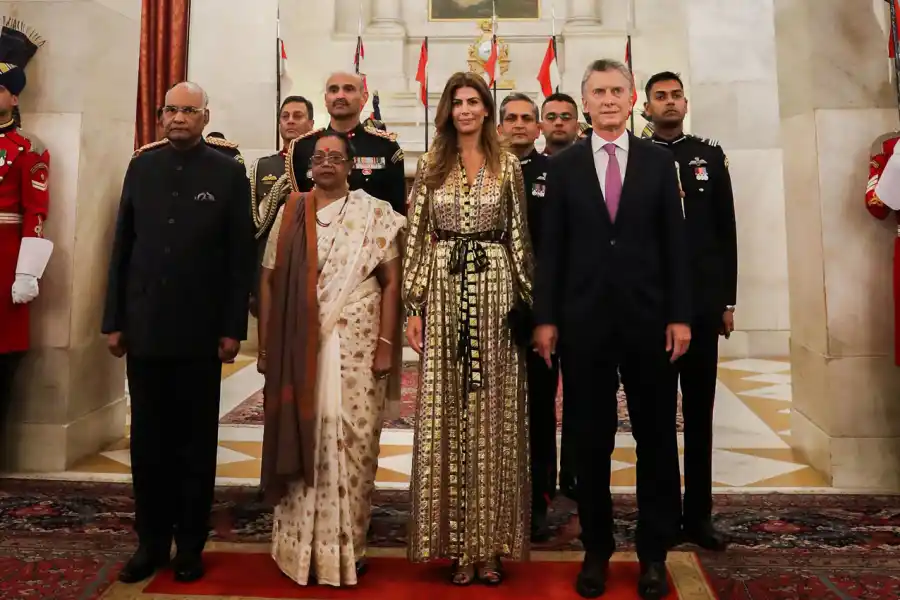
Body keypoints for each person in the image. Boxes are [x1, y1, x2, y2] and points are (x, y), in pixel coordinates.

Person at [533, 59, 691, 600]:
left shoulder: (658, 162)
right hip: (585, 324)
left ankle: (653, 554)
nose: (607, 100)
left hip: (650, 322)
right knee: (589, 440)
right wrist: (547, 319)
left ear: (630, 100)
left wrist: (680, 315)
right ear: (585, 102)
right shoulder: (564, 166)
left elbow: (675, 244)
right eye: (598, 92)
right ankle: (597, 549)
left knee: (656, 440)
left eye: (616, 91)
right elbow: (551, 250)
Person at [101, 81, 254, 584]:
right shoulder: (142, 167)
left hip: (201, 330)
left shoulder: (228, 173)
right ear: (161, 115)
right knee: (147, 443)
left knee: (194, 444)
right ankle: (149, 543)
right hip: (144, 326)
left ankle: (189, 545)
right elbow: (122, 247)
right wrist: (114, 320)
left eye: (189, 110)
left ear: (205, 116)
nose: (179, 118)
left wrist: (232, 328)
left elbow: (239, 258)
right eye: (171, 110)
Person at [258, 131, 405, 586]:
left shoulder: (374, 213)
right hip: (298, 340)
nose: (326, 163)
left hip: (359, 340)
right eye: (319, 157)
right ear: (309, 166)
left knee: (354, 441)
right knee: (302, 431)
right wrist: (266, 346)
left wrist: (386, 345)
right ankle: (298, 548)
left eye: (335, 157)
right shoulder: (291, 212)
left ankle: (349, 547)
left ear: (350, 166)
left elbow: (392, 282)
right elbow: (268, 280)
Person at [404, 71, 533, 586]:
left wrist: (528, 304)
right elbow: (417, 238)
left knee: (493, 412)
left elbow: (519, 235)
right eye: (457, 101)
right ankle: (457, 546)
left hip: (496, 288)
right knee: (446, 409)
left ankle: (491, 546)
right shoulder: (431, 165)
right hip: (443, 286)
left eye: (473, 101)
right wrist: (413, 305)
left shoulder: (509, 166)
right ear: (447, 110)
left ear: (486, 109)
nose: (465, 109)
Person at [644, 71, 736, 552]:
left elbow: (726, 231)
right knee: (657, 420)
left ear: (685, 102)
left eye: (676, 95)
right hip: (654, 309)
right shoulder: (637, 157)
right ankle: (661, 515)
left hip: (701, 307)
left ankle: (699, 515)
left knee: (700, 415)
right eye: (660, 96)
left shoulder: (709, 156)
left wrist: (727, 301)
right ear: (646, 106)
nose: (670, 102)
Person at [498, 92, 557, 542]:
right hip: (492, 305)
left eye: (526, 118)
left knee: (538, 406)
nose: (519, 125)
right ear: (499, 127)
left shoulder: (555, 173)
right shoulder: (485, 172)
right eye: (511, 118)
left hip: (541, 307)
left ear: (539, 128)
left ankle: (538, 499)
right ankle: (497, 497)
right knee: (494, 406)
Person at [0, 60, 52, 451]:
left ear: (14, 98)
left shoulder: (28, 149)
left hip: (4, 266)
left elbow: (35, 211)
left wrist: (27, 273)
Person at [288, 72, 406, 216]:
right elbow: (297, 209)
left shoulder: (385, 147)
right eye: (333, 90)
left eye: (348, 89)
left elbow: (397, 213)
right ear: (326, 99)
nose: (340, 96)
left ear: (364, 97)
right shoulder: (302, 147)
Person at [248, 95, 315, 317]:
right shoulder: (262, 167)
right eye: (285, 117)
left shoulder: (321, 164)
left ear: (311, 123)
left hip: (311, 260)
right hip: (270, 263)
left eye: (298, 116)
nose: (290, 121)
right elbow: (253, 225)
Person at [540, 92, 580, 156]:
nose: (558, 122)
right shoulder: (532, 162)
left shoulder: (592, 161)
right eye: (551, 117)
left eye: (566, 117)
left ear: (577, 127)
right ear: (541, 127)